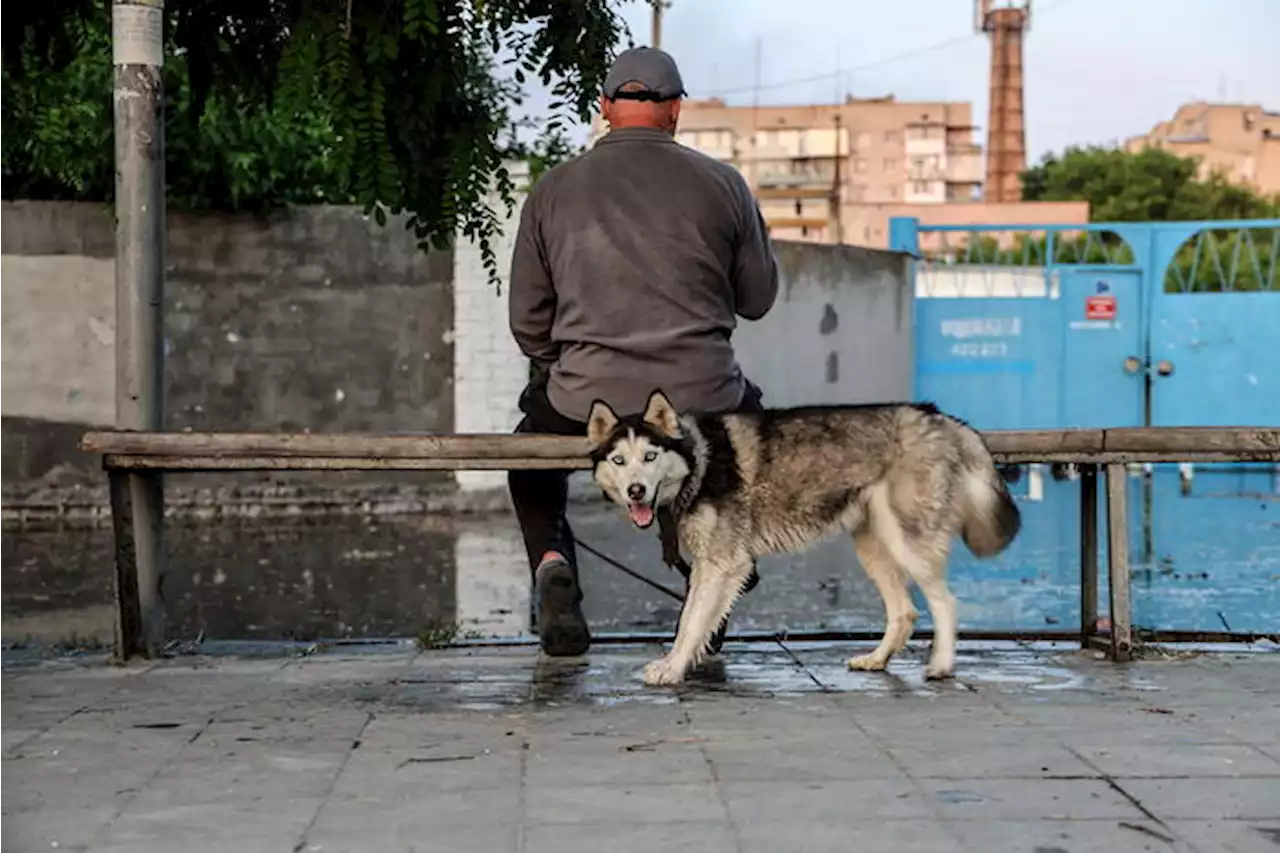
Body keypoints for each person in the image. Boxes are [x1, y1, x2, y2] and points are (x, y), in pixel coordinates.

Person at [506, 46, 780, 657]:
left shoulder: (553, 189)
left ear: (604, 109)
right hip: (703, 393)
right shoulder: (725, 185)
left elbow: (527, 321)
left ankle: (552, 561)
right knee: (737, 444)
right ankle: (708, 572)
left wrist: (570, 362)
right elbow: (758, 299)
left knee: (528, 463)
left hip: (585, 396)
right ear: (676, 111)